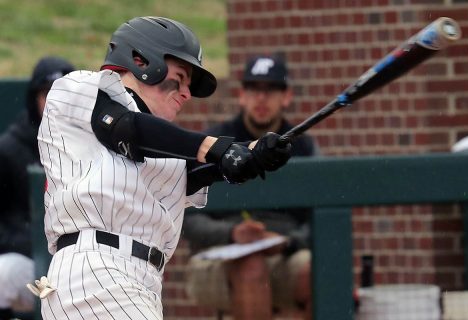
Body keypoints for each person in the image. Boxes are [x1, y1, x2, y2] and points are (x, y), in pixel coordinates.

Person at [28, 17, 292, 320]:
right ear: (140, 60)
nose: (186, 93)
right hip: (95, 269)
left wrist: (256, 151)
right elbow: (125, 130)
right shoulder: (77, 89)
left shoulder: (165, 147)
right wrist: (216, 148)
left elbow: (205, 164)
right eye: (179, 78)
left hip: (137, 282)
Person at [183, 54, 318, 320]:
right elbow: (188, 219)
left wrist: (287, 243)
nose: (261, 99)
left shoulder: (304, 147)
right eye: (254, 90)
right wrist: (234, 234)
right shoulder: (215, 141)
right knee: (252, 267)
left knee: (318, 271)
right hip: (220, 255)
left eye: (271, 90)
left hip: (286, 254)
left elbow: (321, 218)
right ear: (242, 95)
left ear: (287, 96)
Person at [0, 56, 75, 320]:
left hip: (84, 264)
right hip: (35, 267)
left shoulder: (94, 145)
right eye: (48, 94)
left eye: (64, 95)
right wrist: (32, 241)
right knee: (3, 274)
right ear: (35, 99)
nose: (57, 103)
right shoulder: (9, 149)